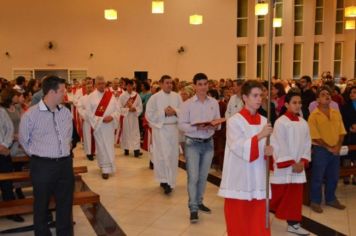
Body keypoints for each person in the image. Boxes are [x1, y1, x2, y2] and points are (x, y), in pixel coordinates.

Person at [19, 75, 74, 235]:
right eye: (62, 91)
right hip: (42, 166)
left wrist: (63, 151)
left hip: (64, 164)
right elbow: (24, 140)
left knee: (65, 204)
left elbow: (68, 136)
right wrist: (40, 155)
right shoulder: (31, 114)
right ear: (51, 92)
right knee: (41, 205)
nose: (65, 94)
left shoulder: (65, 112)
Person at [218, 80, 273, 236]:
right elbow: (238, 147)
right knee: (240, 220)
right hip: (240, 177)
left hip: (258, 177)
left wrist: (270, 151)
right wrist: (261, 135)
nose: (259, 99)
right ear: (244, 97)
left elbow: (267, 149)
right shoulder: (235, 121)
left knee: (258, 220)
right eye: (255, 95)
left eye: (261, 95)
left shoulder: (264, 121)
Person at [178, 73, 221, 223]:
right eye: (200, 84)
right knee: (193, 177)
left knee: (203, 177)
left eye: (205, 84)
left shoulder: (214, 102)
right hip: (193, 144)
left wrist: (213, 125)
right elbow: (181, 125)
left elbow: (218, 122)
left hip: (208, 143)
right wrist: (197, 127)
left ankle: (200, 201)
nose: (203, 87)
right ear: (194, 86)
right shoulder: (187, 104)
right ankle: (193, 207)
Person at [270, 90, 311, 235]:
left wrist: (303, 161)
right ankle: (257, 210)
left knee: (294, 197)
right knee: (277, 196)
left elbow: (307, 143)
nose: (298, 105)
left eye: (300, 102)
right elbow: (279, 144)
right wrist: (292, 162)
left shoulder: (303, 122)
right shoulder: (281, 122)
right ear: (286, 104)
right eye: (294, 102)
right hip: (286, 166)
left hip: (298, 167)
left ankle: (293, 225)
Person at [308, 86, 347, 213]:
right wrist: (328, 147)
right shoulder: (314, 115)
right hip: (321, 150)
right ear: (318, 99)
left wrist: (338, 146)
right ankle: (315, 201)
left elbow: (342, 131)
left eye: (328, 94)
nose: (327, 96)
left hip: (335, 149)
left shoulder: (336, 112)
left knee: (334, 176)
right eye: (323, 94)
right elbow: (315, 136)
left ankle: (331, 199)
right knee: (318, 177)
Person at [145, 75, 182, 194]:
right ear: (161, 84)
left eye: (171, 83)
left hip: (173, 129)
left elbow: (184, 111)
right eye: (167, 83)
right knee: (162, 156)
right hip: (161, 130)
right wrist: (164, 113)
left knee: (172, 155)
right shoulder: (154, 98)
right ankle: (164, 181)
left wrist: (175, 111)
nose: (169, 85)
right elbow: (149, 114)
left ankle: (170, 180)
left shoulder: (177, 97)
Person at [86, 76, 120, 179]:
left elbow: (117, 110)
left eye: (103, 83)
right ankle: (105, 168)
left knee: (109, 146)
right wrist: (101, 119)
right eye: (99, 83)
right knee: (101, 147)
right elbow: (88, 113)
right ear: (95, 85)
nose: (101, 85)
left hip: (109, 126)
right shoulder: (90, 97)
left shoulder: (111, 96)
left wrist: (112, 117)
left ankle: (108, 166)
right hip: (99, 127)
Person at [119, 79, 143, 157]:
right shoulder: (122, 96)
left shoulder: (137, 95)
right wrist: (128, 109)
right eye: (128, 86)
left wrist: (135, 109)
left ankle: (136, 150)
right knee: (126, 133)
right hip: (126, 118)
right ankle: (126, 149)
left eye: (131, 85)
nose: (130, 87)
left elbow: (140, 106)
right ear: (125, 86)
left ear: (133, 86)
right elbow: (119, 108)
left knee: (135, 133)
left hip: (134, 117)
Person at [340, 85, 356, 185]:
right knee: (347, 156)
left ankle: (355, 177)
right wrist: (349, 127)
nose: (352, 94)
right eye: (350, 92)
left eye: (354, 92)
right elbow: (342, 121)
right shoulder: (345, 107)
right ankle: (346, 176)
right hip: (348, 135)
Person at [77, 83, 95, 161]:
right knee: (88, 137)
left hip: (95, 120)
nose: (89, 89)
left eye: (91, 87)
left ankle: (95, 151)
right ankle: (89, 153)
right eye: (88, 87)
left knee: (96, 136)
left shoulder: (96, 98)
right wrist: (86, 116)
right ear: (85, 88)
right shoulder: (82, 98)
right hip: (87, 121)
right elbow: (80, 108)